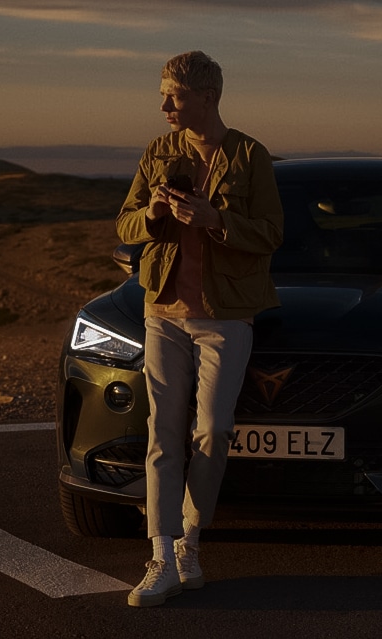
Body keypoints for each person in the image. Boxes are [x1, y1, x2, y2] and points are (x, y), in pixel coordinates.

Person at [115, 51, 284, 607]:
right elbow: (126, 222)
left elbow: (270, 234)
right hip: (162, 310)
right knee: (162, 431)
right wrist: (156, 216)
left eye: (175, 95)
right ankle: (161, 557)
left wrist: (217, 222)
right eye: (163, 94)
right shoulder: (158, 152)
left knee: (212, 430)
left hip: (226, 315)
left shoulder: (249, 154)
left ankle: (190, 540)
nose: (164, 105)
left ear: (207, 97)